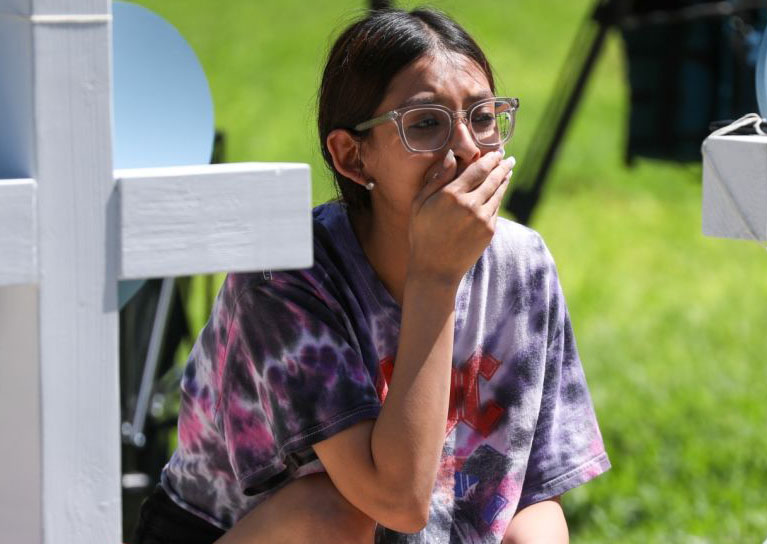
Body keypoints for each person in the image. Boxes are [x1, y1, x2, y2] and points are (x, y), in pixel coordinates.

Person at [132, 7, 609, 543]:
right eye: (426, 123)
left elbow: (531, 496)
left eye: (482, 117)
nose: (468, 150)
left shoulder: (523, 265)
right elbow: (395, 501)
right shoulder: (283, 279)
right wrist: (435, 278)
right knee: (332, 516)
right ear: (353, 157)